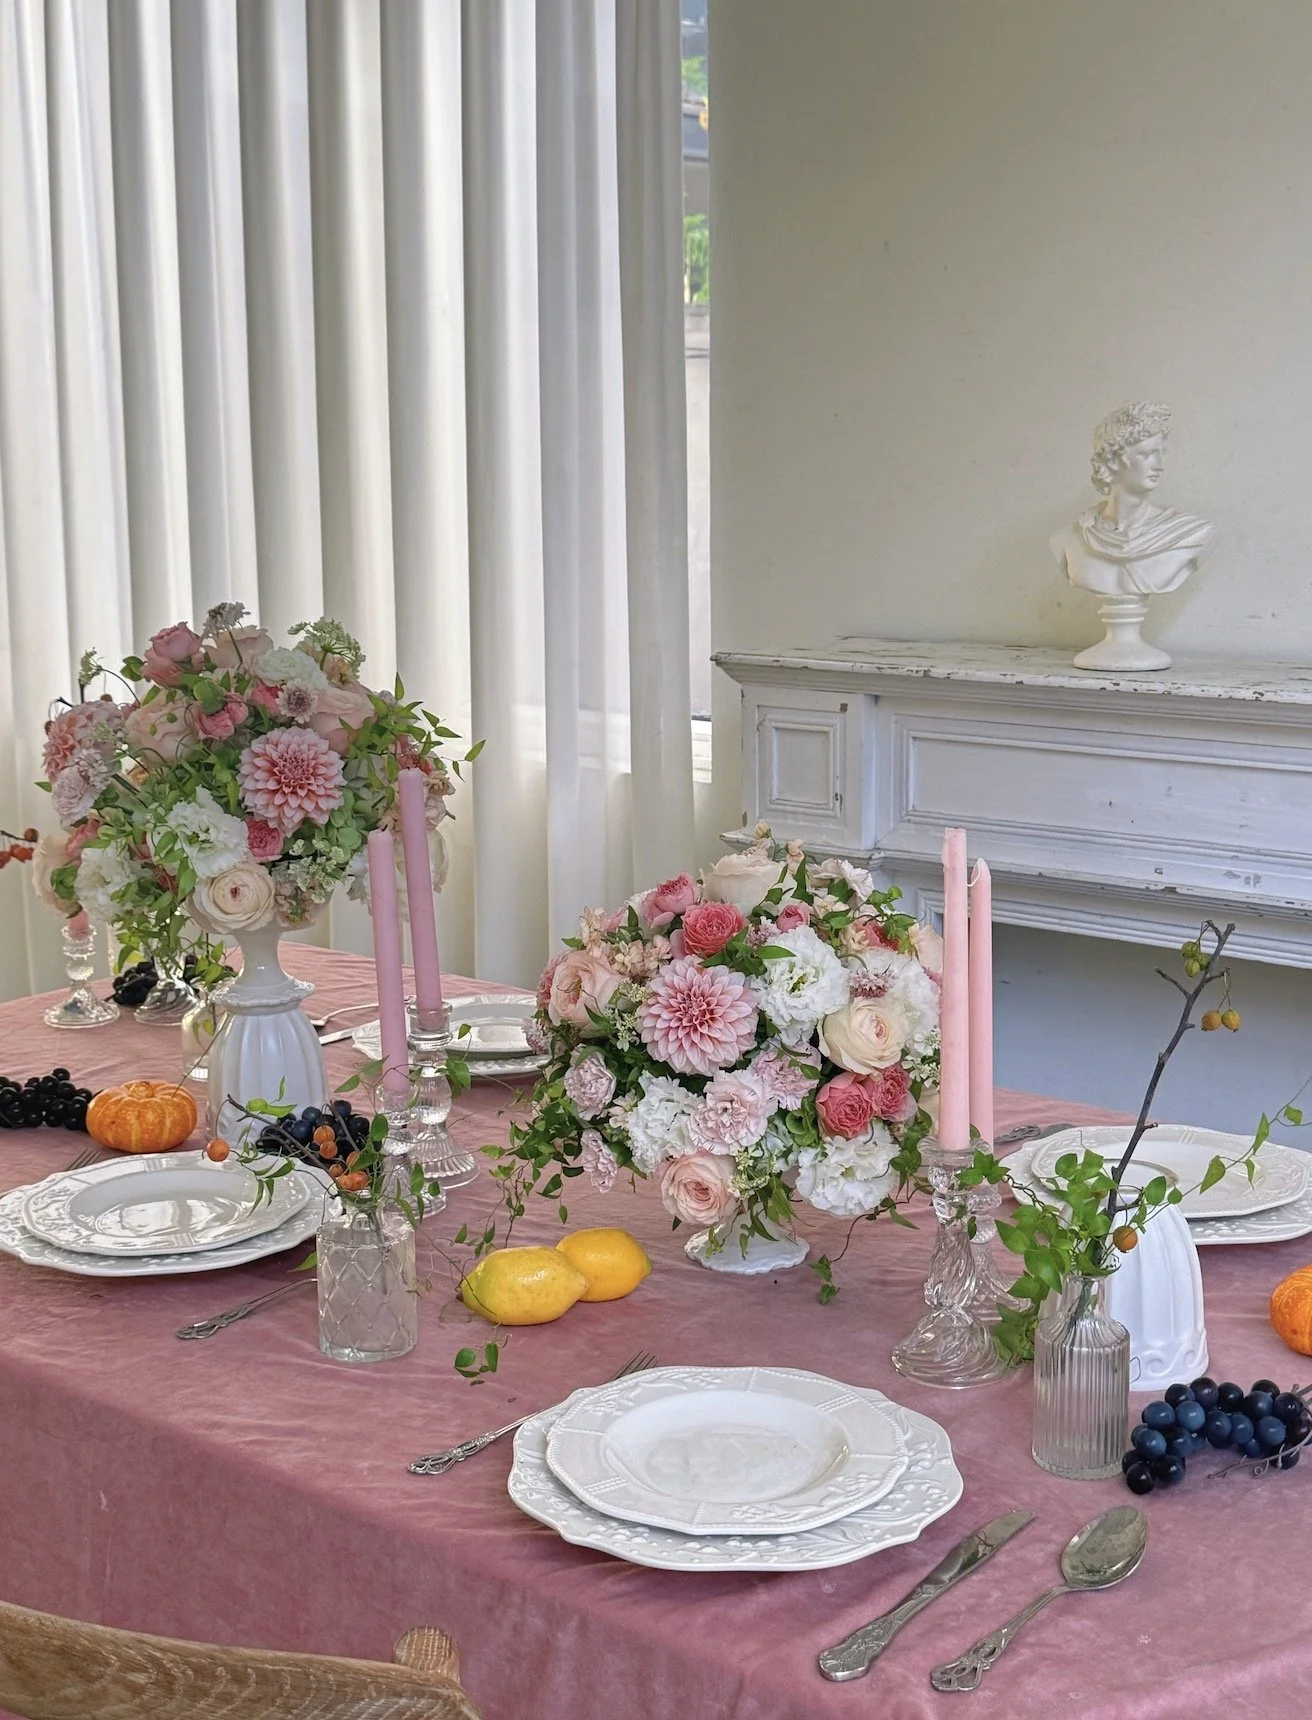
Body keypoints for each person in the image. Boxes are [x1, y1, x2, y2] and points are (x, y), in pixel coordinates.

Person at [1051, 402, 1215, 598]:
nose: (1160, 466)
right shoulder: (1069, 539)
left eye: (1161, 453)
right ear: (1111, 460)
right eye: (1147, 455)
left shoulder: (1191, 534)